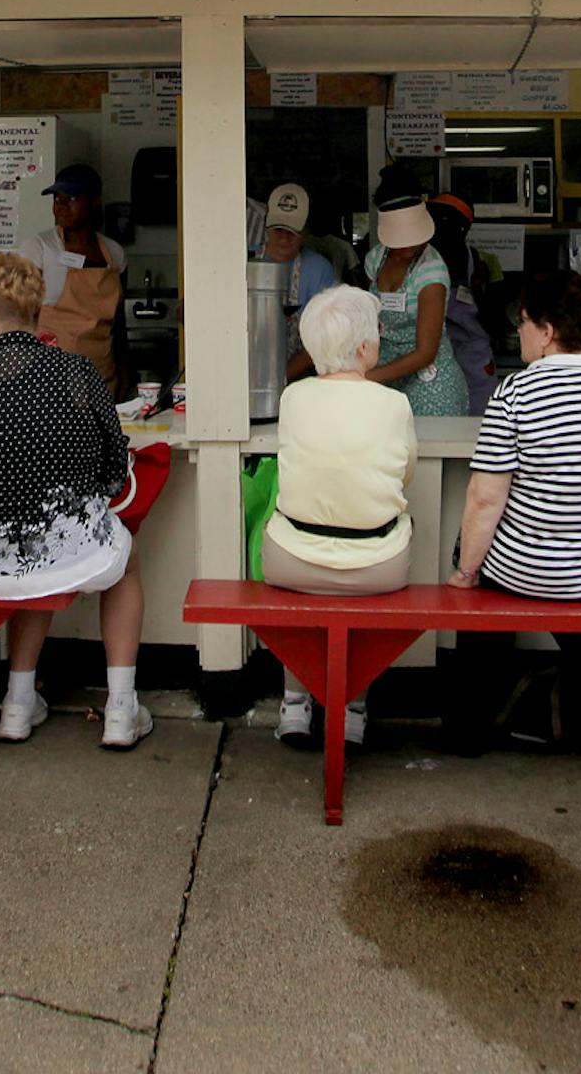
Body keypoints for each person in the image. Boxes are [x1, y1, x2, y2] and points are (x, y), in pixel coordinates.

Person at [0, 253, 151, 749]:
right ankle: (120, 707)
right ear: (38, 316)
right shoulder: (77, 373)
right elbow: (115, 470)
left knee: (27, 553)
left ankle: (17, 702)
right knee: (125, 559)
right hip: (68, 546)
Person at [444, 271, 581, 754]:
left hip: (541, 570)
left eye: (523, 323)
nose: (519, 334)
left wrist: (465, 571)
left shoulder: (518, 391)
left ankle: (467, 730)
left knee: (482, 586)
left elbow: (484, 498)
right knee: (580, 598)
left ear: (548, 330)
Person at [265, 286, 416, 749]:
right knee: (394, 527)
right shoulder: (394, 405)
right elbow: (404, 476)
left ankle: (294, 704)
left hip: (291, 561)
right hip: (377, 569)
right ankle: (352, 709)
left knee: (293, 560)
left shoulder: (292, 399)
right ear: (366, 347)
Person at [18, 162, 130, 396]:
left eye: (71, 199)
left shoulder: (115, 253)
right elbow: (18, 315)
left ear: (94, 201)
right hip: (50, 381)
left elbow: (118, 324)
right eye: (57, 199)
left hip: (100, 376)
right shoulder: (39, 247)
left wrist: (124, 373)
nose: (61, 207)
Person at [362, 193, 470, 417]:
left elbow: (425, 353)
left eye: (415, 239)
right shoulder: (376, 259)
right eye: (401, 242)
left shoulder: (432, 272)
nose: (409, 248)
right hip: (384, 373)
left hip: (429, 384)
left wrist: (364, 378)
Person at [257, 181, 336, 381]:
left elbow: (325, 338)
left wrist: (280, 379)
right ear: (266, 226)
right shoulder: (244, 261)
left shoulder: (319, 269)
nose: (284, 239)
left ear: (306, 232)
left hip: (299, 378)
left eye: (292, 232)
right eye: (278, 230)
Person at [428, 192, 497, 413]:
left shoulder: (479, 262)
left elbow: (494, 314)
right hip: (434, 353)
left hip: (471, 353)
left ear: (461, 227)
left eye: (442, 220)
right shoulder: (422, 259)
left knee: (480, 421)